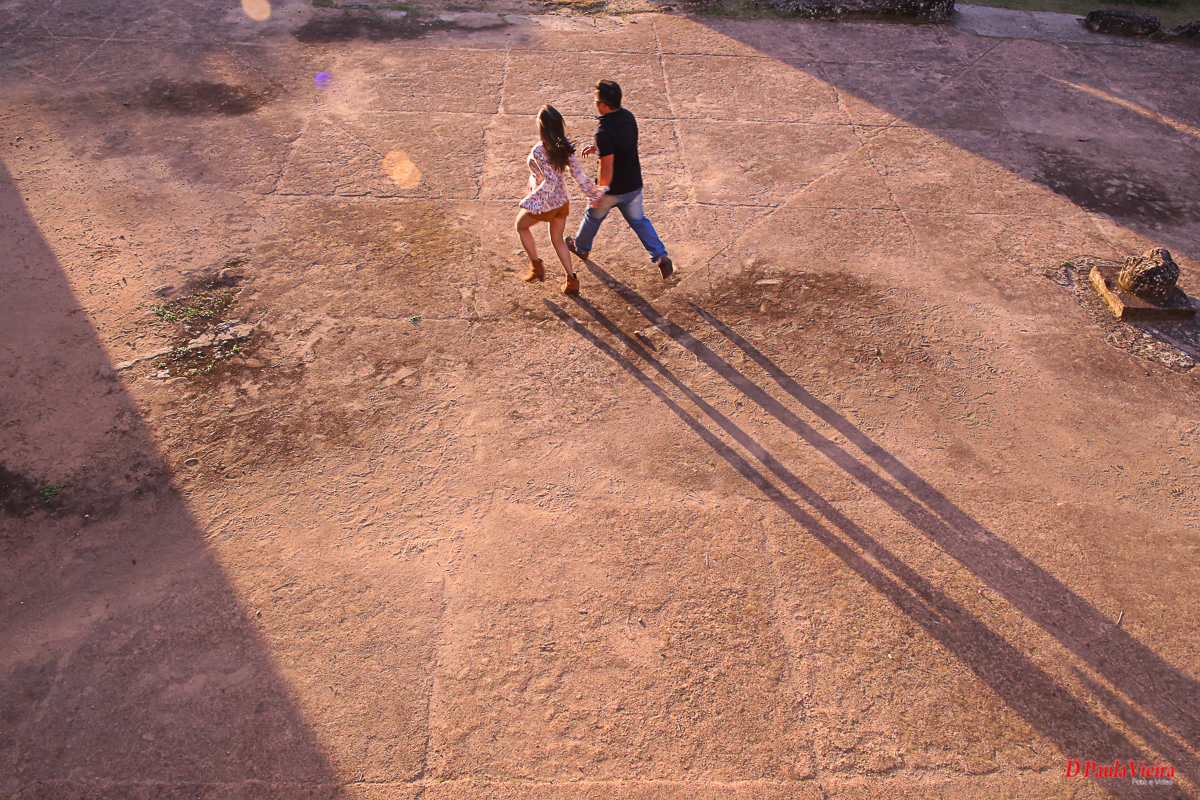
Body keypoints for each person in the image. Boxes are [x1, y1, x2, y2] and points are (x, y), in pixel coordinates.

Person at [566, 80, 673, 279]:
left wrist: (598, 193)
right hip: (633, 186)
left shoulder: (603, 132)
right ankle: (661, 257)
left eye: (596, 101)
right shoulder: (629, 118)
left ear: (603, 105)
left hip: (612, 191)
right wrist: (598, 148)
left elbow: (606, 167)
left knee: (592, 216)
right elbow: (622, 144)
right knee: (639, 221)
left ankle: (581, 248)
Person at [516, 105, 607, 295]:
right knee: (557, 240)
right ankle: (572, 280)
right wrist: (594, 192)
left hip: (546, 205)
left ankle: (536, 267)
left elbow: (550, 181)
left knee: (521, 226)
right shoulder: (564, 145)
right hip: (562, 203)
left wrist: (531, 201)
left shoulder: (539, 151)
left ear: (542, 127)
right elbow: (577, 173)